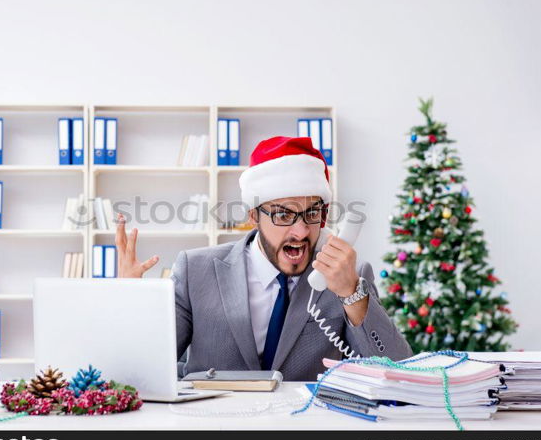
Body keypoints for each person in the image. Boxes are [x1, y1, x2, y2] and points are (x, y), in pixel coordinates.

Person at [116, 136, 413, 381]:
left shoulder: (347, 275)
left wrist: (351, 294)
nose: (300, 231)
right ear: (254, 216)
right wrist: (133, 303)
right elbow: (143, 369)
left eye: (312, 214)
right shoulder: (196, 270)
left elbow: (400, 372)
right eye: (284, 214)